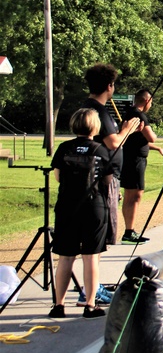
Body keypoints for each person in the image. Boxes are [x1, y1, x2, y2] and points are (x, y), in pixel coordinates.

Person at [48, 108, 113, 319]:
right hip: (94, 207)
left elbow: (57, 177)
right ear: (95, 126)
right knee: (91, 257)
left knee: (65, 257)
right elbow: (108, 180)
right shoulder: (100, 149)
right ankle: (90, 304)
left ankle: (58, 305)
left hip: (67, 207)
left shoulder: (64, 148)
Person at [82, 63, 140, 245]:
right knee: (101, 237)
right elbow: (113, 143)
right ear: (109, 86)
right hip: (103, 177)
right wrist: (128, 130)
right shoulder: (98, 110)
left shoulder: (86, 106)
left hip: (98, 175)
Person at [119, 89, 163, 244]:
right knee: (134, 195)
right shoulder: (140, 115)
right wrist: (154, 140)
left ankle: (130, 231)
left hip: (131, 158)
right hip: (135, 160)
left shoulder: (129, 113)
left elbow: (138, 140)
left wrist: (158, 149)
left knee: (131, 194)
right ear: (147, 101)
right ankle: (129, 232)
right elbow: (151, 137)